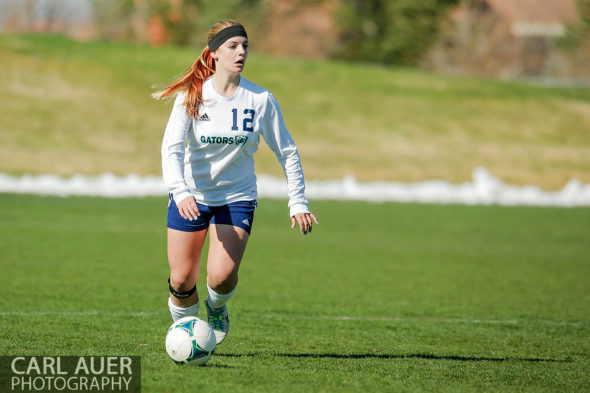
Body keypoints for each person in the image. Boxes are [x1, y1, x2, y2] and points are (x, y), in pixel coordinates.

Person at [153, 19, 318, 345]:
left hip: (236, 197)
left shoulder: (260, 100)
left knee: (222, 276)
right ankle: (187, 338)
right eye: (233, 46)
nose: (241, 51)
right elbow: (171, 148)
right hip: (192, 197)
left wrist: (298, 201)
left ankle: (216, 307)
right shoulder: (192, 95)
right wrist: (180, 190)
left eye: (245, 46)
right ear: (214, 53)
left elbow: (287, 151)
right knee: (182, 279)